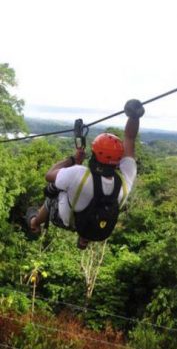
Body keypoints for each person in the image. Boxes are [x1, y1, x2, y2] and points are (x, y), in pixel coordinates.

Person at [26, 99, 145, 249]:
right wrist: (135, 117)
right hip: (95, 225)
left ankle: (34, 223)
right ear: (118, 158)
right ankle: (84, 237)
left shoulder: (78, 173)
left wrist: (73, 159)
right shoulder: (125, 182)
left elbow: (49, 174)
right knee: (88, 199)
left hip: (65, 220)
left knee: (53, 190)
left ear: (95, 155)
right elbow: (130, 138)